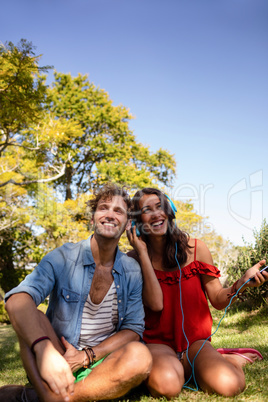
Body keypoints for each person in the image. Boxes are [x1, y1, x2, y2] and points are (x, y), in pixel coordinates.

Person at [1, 183, 152, 402]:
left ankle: (45, 397)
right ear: (93, 218)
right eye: (104, 208)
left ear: (128, 224)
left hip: (100, 362)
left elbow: (133, 328)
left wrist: (86, 356)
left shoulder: (131, 269)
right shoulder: (63, 257)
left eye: (118, 211)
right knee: (27, 315)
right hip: (55, 356)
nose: (110, 215)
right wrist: (45, 350)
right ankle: (60, 391)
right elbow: (16, 299)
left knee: (140, 356)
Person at [127, 187, 267, 398]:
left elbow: (218, 300)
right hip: (157, 344)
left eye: (160, 206)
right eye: (147, 210)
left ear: (170, 210)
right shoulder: (133, 260)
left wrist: (242, 283)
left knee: (229, 386)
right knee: (166, 387)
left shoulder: (196, 249)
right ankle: (187, 368)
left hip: (195, 343)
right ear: (137, 223)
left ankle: (232, 360)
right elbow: (155, 304)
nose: (156, 214)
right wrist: (142, 253)